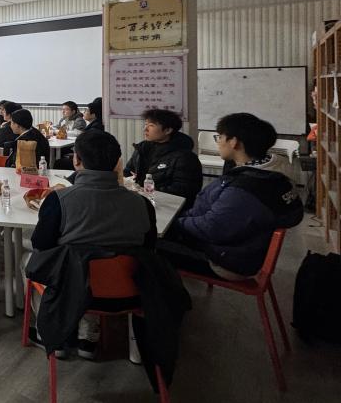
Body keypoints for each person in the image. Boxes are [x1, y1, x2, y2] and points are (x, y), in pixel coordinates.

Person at [26, 131, 156, 358]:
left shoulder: (60, 200)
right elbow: (149, 248)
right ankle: (88, 336)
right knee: (94, 259)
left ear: (76, 160)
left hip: (72, 289)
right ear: (117, 162)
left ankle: (51, 335)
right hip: (129, 291)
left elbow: (41, 244)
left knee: (29, 258)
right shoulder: (142, 204)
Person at [159, 113, 303, 279]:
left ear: (234, 142)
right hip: (241, 248)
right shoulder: (273, 173)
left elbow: (211, 227)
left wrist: (176, 222)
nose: (218, 142)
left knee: (145, 244)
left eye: (220, 137)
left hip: (224, 260)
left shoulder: (247, 188)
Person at [123, 109, 203, 206]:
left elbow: (184, 190)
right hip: (141, 201)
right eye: (146, 124)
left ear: (168, 130)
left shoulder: (185, 157)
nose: (145, 129)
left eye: (151, 126)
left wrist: (146, 191)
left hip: (169, 206)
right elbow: (127, 172)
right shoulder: (142, 148)